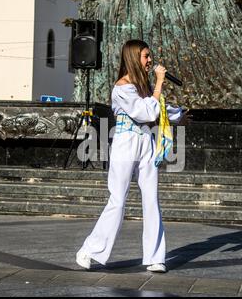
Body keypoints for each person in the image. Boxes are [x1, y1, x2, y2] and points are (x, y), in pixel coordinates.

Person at [76, 39, 191, 273]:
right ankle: (89, 249)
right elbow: (146, 111)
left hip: (146, 142)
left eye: (150, 56)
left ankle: (155, 257)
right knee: (118, 199)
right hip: (126, 142)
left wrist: (180, 115)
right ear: (133, 58)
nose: (150, 61)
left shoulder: (144, 88)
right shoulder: (122, 87)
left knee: (151, 199)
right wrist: (159, 81)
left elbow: (160, 108)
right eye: (146, 56)